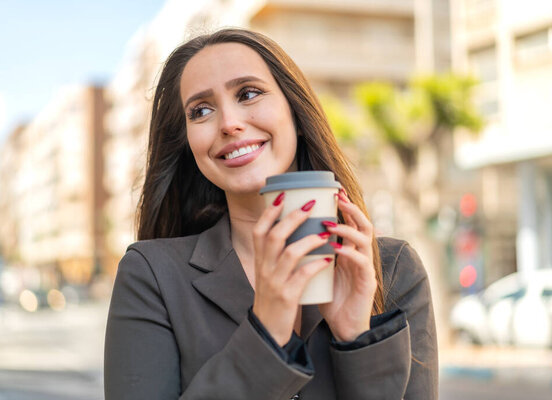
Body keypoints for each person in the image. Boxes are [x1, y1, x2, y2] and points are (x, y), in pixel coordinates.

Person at [104, 28, 438, 399]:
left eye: (248, 93)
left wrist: (357, 342)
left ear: (294, 112)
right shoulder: (151, 274)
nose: (229, 123)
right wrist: (266, 335)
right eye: (201, 111)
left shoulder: (392, 270)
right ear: (188, 143)